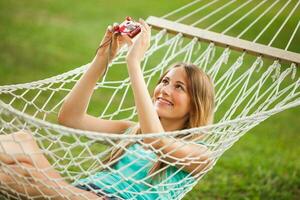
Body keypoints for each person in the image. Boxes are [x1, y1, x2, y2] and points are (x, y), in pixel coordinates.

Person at [0, 19, 215, 199]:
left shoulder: (200, 154)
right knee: (21, 148)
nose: (164, 90)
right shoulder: (133, 131)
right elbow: (70, 118)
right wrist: (103, 58)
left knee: (23, 162)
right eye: (165, 81)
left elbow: (156, 141)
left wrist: (134, 63)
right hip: (85, 192)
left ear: (196, 103)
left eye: (179, 87)